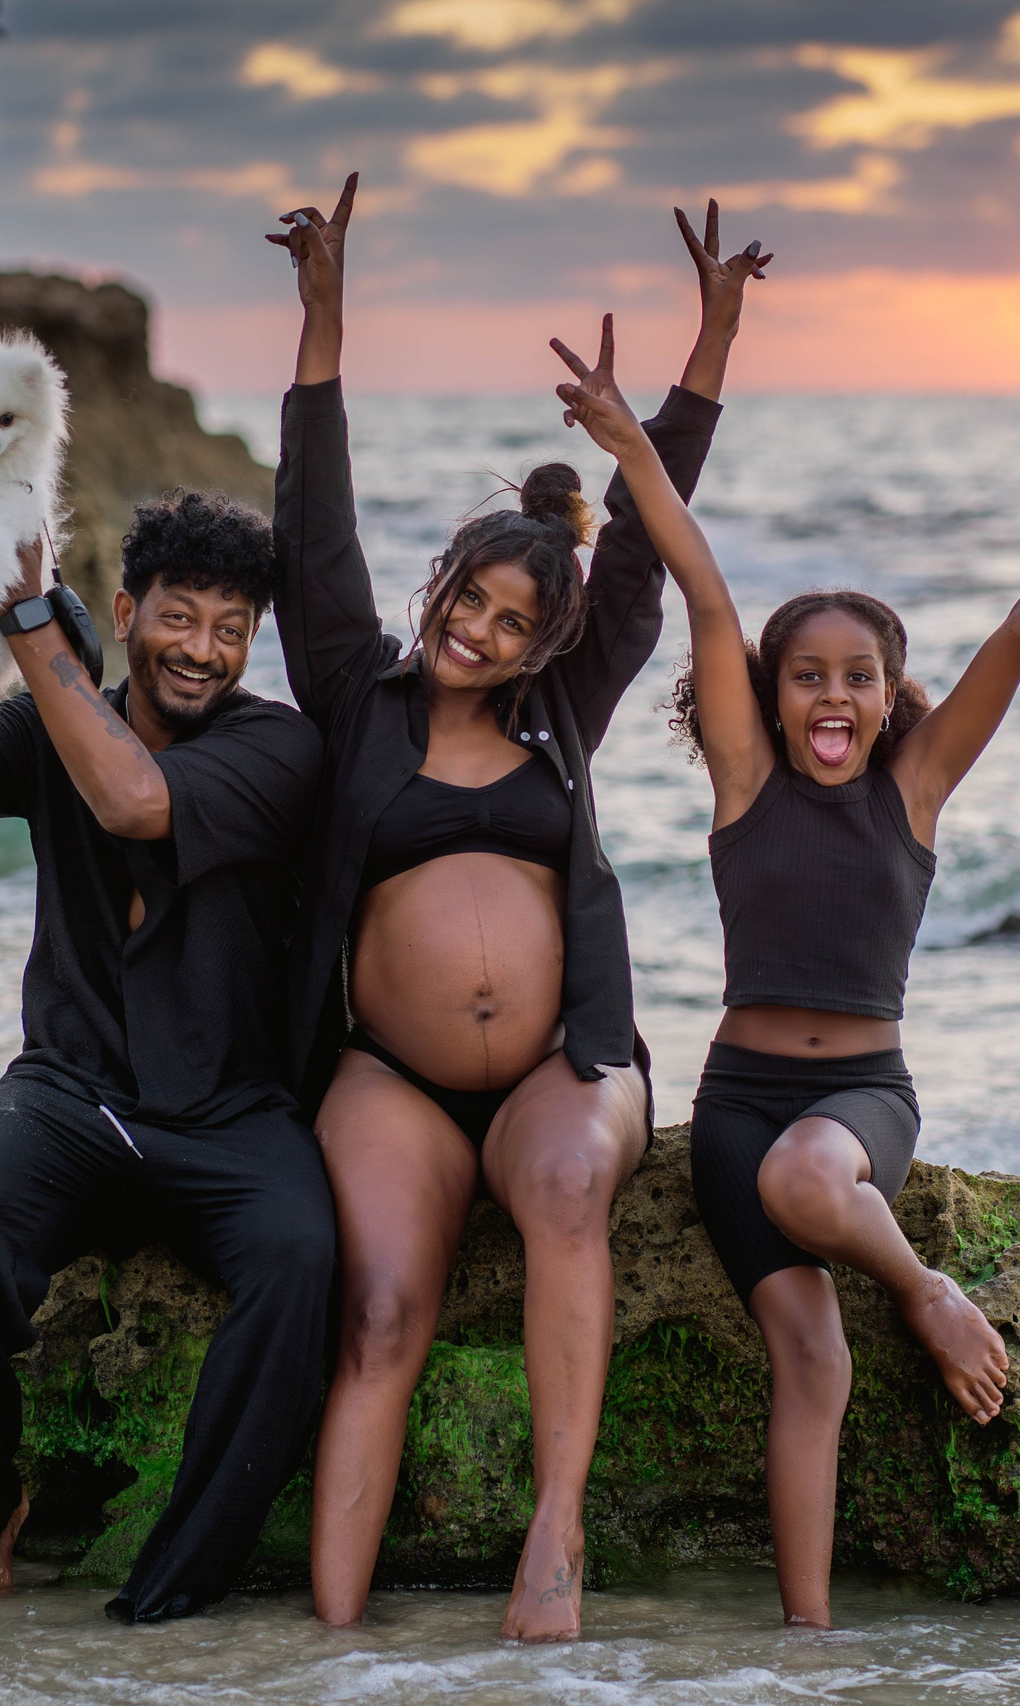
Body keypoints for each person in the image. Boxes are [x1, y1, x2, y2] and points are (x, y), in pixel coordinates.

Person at [551, 333, 1020, 1628]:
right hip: (739, 1103)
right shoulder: (746, 783)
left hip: (862, 1101)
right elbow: (705, 593)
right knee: (811, 1357)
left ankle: (929, 1295)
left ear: (890, 700)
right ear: (768, 695)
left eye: (857, 678)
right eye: (806, 675)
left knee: (814, 1177)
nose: (833, 694)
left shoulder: (915, 793)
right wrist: (628, 443)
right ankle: (811, 1639)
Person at [265, 174, 768, 1641]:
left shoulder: (566, 705)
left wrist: (706, 347)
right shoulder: (360, 692)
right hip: (392, 1077)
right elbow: (312, 532)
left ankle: (556, 1538)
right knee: (379, 1314)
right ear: (438, 591)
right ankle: (331, 1635)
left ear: (548, 639)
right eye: (466, 605)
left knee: (560, 1192)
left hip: (566, 1061)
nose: (478, 635)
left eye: (511, 623)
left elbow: (647, 556)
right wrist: (324, 317)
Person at [0, 472, 333, 1623]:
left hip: (231, 1112)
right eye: (179, 616)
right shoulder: (54, 721)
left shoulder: (280, 750)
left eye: (232, 629)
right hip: (71, 1095)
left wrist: (26, 619)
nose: (202, 649)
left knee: (302, 1260)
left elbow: (132, 798)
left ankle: (168, 1592)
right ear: (125, 616)